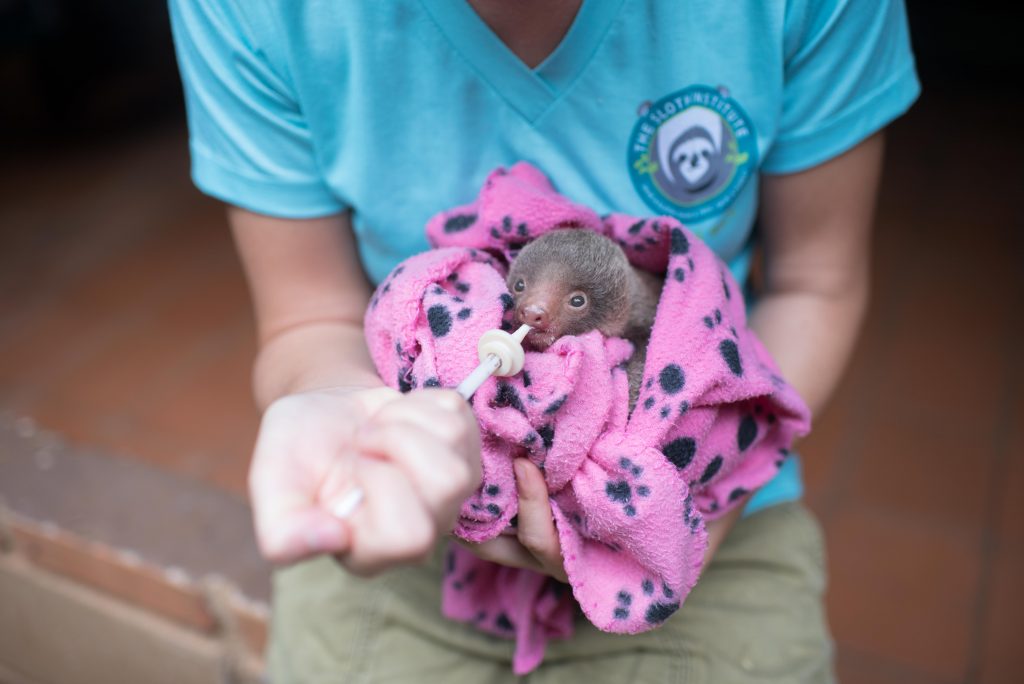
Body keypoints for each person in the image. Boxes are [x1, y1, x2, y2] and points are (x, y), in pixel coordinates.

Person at [169, 1, 919, 681]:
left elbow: (815, 282)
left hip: (709, 510)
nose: (532, 322)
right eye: (525, 299)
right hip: (408, 499)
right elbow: (309, 317)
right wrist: (348, 404)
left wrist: (685, 516)